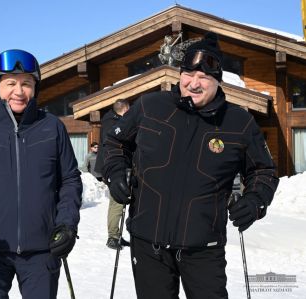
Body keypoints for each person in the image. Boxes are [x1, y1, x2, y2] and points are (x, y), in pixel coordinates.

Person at [102, 32, 279, 298]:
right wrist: (115, 173)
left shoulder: (239, 122)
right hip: (148, 243)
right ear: (179, 74)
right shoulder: (150, 106)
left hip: (204, 248)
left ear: (218, 81)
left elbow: (263, 171)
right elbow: (115, 144)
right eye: (188, 74)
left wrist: (255, 201)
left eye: (204, 77)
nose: (193, 83)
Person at [0, 49, 82, 299]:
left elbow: (69, 180)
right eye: (11, 83)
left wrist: (67, 225)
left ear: (36, 87)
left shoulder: (52, 127)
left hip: (42, 252)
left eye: (27, 83)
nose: (19, 91)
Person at [94, 99, 130, 250]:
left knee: (119, 201)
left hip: (114, 166)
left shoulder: (111, 120)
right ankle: (113, 237)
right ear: (123, 110)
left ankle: (117, 234)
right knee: (117, 201)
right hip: (112, 167)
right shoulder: (112, 123)